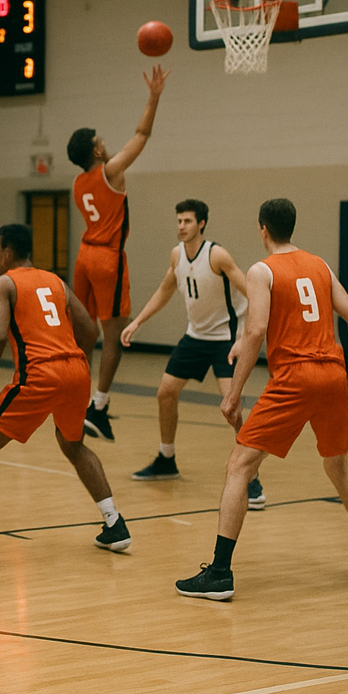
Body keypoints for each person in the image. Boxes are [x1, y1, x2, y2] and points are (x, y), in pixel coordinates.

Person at [175, 198, 348, 601]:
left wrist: (234, 393)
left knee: (239, 465)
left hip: (295, 377)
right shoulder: (320, 265)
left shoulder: (263, 270)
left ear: (263, 229)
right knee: (338, 467)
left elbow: (255, 331)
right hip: (332, 375)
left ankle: (220, 572)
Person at [0, 224, 130, 568]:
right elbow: (91, 331)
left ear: (6, 252)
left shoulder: (2, 284)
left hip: (40, 373)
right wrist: (72, 362)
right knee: (73, 445)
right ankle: (114, 524)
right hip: (76, 371)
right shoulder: (56, 281)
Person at [119, 199, 265, 508]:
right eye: (178, 221)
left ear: (201, 224)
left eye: (187, 221)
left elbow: (252, 294)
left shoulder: (217, 255)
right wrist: (138, 322)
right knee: (165, 393)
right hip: (195, 337)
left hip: (225, 338)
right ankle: (166, 460)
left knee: (231, 408)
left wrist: (243, 336)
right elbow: (165, 290)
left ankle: (251, 475)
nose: (181, 226)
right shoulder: (177, 256)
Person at [67, 64, 169, 442]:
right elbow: (142, 134)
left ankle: (77, 398)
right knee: (113, 337)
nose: (106, 141)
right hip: (107, 259)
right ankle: (100, 405)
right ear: (96, 148)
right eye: (101, 138)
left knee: (84, 333)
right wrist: (154, 96)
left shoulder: (78, 182)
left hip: (84, 257)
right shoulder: (110, 171)